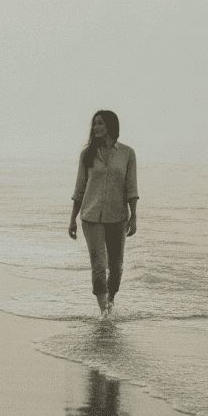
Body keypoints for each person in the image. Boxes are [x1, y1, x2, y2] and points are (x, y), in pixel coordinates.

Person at [68, 110, 138, 321]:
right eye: (94, 124)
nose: (96, 127)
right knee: (99, 264)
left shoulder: (127, 153)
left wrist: (134, 216)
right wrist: (72, 218)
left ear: (110, 126)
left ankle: (111, 299)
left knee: (116, 269)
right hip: (91, 216)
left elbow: (131, 187)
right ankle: (104, 312)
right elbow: (80, 188)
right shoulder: (87, 154)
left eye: (100, 123)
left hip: (118, 217)